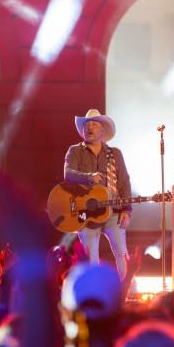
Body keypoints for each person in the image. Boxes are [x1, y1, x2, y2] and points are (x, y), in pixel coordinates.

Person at [64, 109, 131, 279]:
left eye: (94, 124)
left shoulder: (114, 154)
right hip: (85, 213)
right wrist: (88, 178)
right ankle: (95, 292)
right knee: (90, 259)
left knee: (121, 253)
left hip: (112, 212)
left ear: (103, 131)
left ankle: (126, 289)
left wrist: (126, 210)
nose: (89, 127)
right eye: (87, 124)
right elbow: (68, 174)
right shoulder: (75, 151)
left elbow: (124, 181)